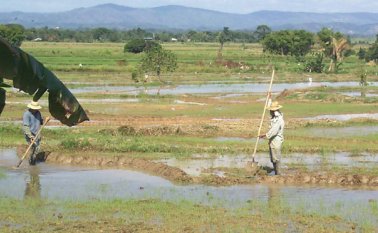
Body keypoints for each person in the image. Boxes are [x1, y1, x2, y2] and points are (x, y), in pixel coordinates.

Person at [259, 101, 284, 175]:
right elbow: (269, 105)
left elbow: (274, 131)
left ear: (274, 111)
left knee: (276, 158)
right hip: (272, 140)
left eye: (271, 111)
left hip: (276, 141)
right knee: (273, 158)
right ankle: (276, 171)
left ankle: (278, 173)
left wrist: (265, 135)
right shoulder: (274, 117)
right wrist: (269, 98)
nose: (269, 112)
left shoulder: (279, 120)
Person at [23, 101, 43, 165]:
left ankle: (33, 162)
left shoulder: (38, 113)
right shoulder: (26, 114)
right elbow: (26, 127)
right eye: (34, 108)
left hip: (37, 133)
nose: (35, 110)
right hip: (30, 133)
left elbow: (40, 121)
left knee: (37, 148)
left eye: (36, 108)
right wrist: (30, 136)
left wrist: (45, 120)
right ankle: (31, 163)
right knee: (32, 148)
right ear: (31, 108)